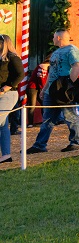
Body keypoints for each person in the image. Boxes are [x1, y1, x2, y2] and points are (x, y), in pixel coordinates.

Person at [28, 30, 79, 154]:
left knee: (70, 116)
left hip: (63, 88)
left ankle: (76, 142)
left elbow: (76, 66)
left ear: (59, 37)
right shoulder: (55, 53)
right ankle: (40, 145)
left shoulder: (72, 50)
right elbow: (51, 73)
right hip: (51, 90)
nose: (53, 39)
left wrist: (69, 85)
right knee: (48, 118)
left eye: (54, 37)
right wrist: (44, 89)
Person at [0, 34, 25, 163]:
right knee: (3, 125)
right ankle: (6, 155)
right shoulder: (1, 58)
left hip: (8, 95)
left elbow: (20, 74)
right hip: (2, 94)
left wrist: (6, 88)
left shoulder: (12, 57)